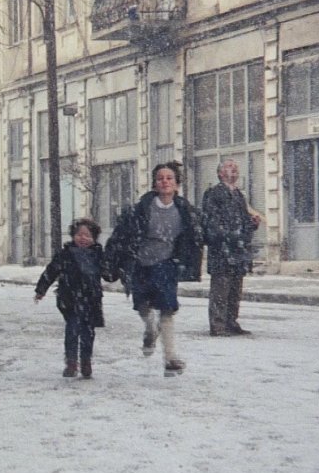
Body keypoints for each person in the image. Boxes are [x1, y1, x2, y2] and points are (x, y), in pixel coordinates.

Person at [104, 162, 203, 376]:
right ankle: (150, 328)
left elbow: (197, 235)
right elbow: (121, 235)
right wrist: (111, 261)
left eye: (169, 178)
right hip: (140, 264)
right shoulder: (141, 208)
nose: (165, 182)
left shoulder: (185, 210)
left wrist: (186, 260)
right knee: (142, 306)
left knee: (167, 309)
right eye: (160, 178)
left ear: (177, 184)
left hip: (166, 264)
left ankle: (170, 358)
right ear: (154, 184)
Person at [34, 218, 113, 379]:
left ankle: (86, 361)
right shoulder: (65, 254)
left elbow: (108, 274)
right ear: (72, 236)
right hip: (69, 298)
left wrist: (118, 270)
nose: (83, 238)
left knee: (88, 333)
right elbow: (51, 271)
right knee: (72, 329)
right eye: (79, 234)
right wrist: (41, 289)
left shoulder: (98, 255)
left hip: (91, 300)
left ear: (94, 238)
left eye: (87, 235)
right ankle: (71, 361)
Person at [201, 159, 261, 336]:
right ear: (220, 173)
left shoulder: (238, 195)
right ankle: (218, 325)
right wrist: (228, 235)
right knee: (221, 288)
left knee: (235, 288)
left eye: (235, 167)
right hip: (222, 250)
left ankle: (231, 321)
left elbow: (243, 221)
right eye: (229, 167)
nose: (234, 169)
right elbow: (211, 222)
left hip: (238, 250)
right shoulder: (213, 194)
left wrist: (252, 224)